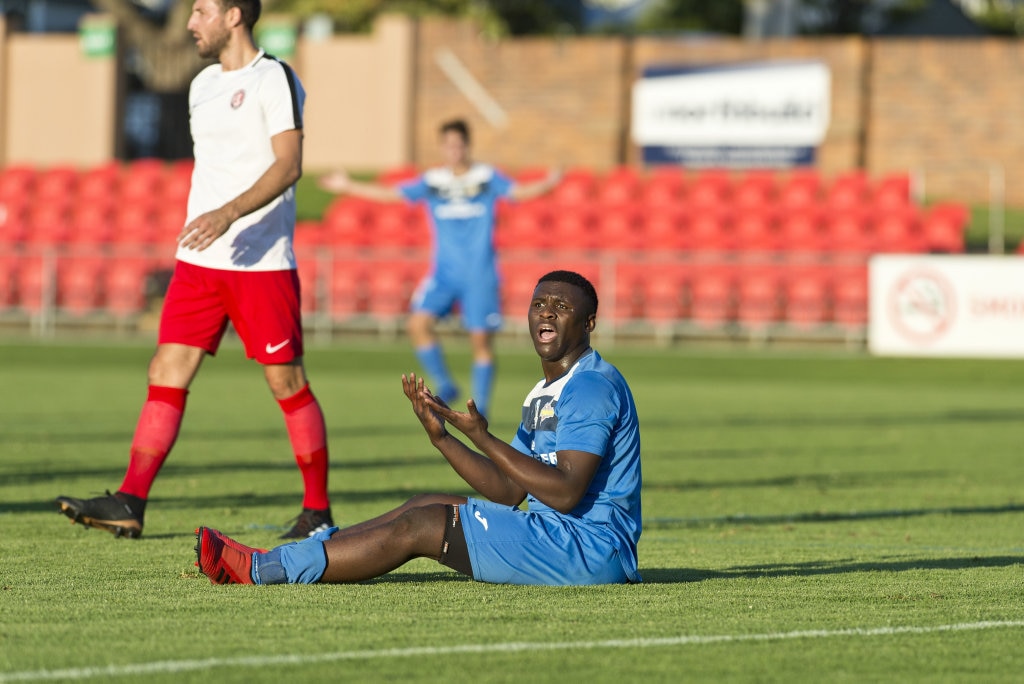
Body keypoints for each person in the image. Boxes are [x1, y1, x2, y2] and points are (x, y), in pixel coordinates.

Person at [55, 0, 333, 540]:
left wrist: (228, 213)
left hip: (262, 264)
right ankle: (131, 500)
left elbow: (289, 165)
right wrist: (209, 222)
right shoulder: (202, 84)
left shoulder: (274, 77)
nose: (189, 23)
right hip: (199, 264)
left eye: (200, 10)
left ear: (234, 16)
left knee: (286, 381)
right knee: (166, 370)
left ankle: (318, 510)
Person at [195, 270, 642, 586]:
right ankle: (283, 557)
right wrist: (443, 438)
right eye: (539, 304)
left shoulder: (589, 387)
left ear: (588, 324)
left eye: (562, 308)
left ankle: (264, 570)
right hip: (561, 535)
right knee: (427, 503)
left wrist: (482, 436)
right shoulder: (545, 390)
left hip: (590, 549)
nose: (546, 314)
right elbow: (508, 490)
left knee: (425, 526)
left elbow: (565, 493)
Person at [318, 119, 562, 419]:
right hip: (443, 274)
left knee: (480, 342)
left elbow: (517, 193)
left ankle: (480, 409)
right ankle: (446, 384)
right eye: (449, 145)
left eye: (459, 145)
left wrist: (548, 183)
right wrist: (348, 186)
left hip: (479, 274)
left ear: (467, 146)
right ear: (443, 147)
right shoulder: (433, 181)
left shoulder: (485, 177)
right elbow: (393, 195)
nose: (454, 151)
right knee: (417, 324)